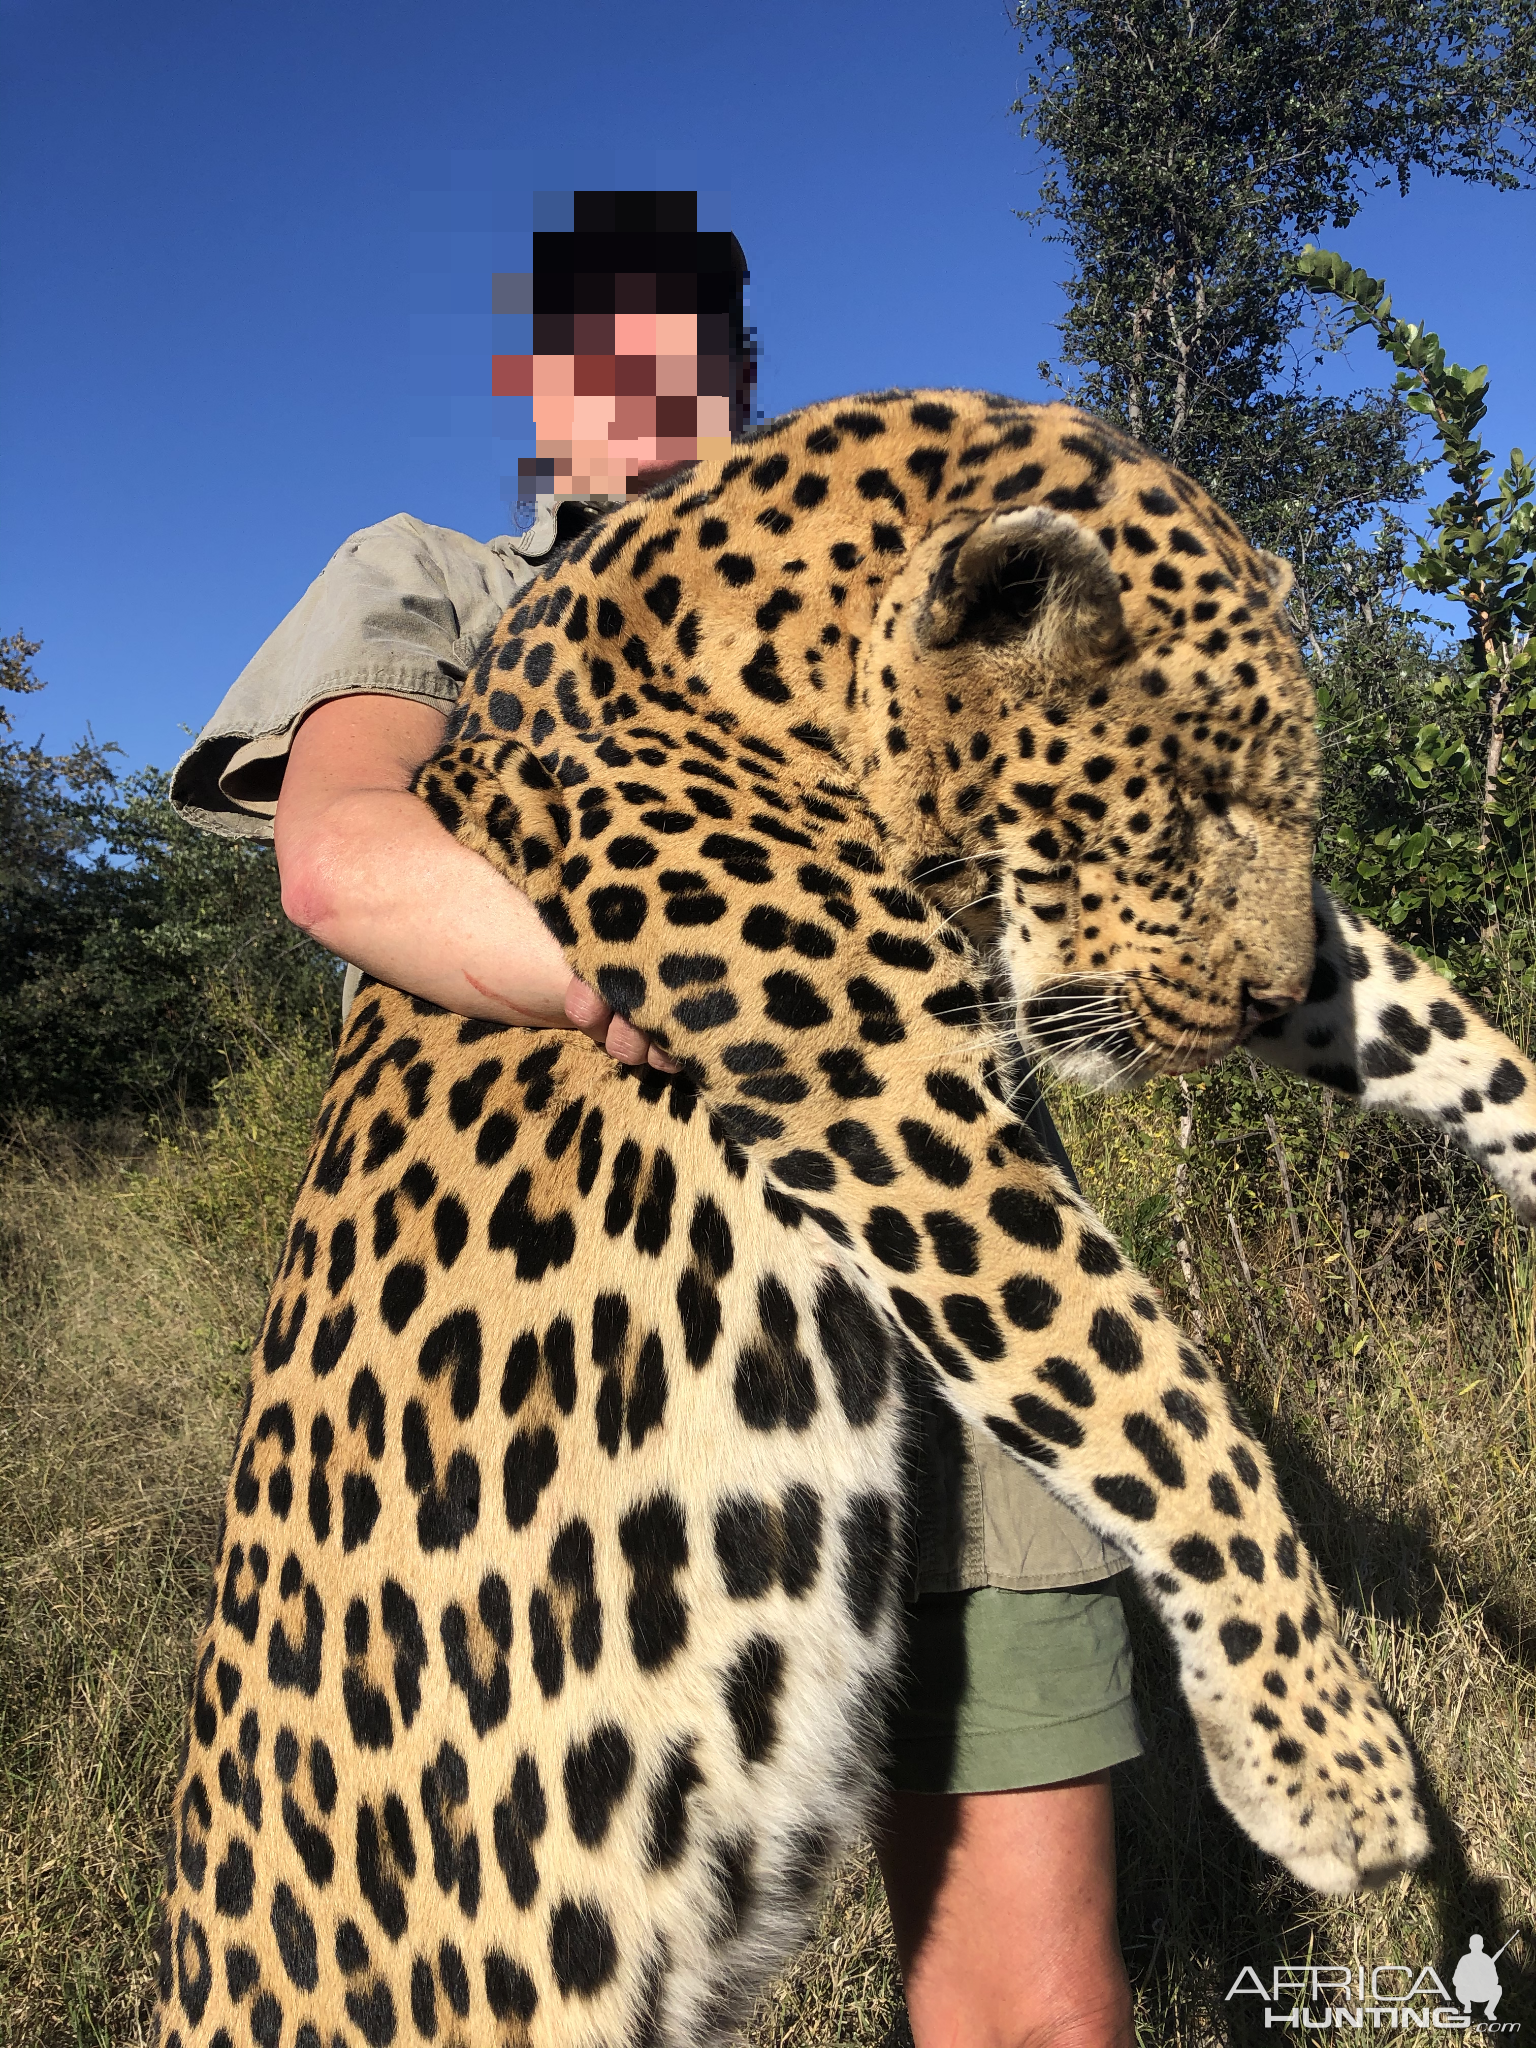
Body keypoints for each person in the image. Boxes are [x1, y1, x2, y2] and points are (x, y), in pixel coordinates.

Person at [171, 190, 1140, 2048]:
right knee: (542, 1979)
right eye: (594, 341)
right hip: (575, 1382)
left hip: (957, 1303)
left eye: (685, 342)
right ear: (533, 378)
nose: (641, 378)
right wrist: (651, 972)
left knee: (1041, 2001)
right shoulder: (438, 580)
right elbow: (345, 856)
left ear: (740, 375)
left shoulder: (890, 588)